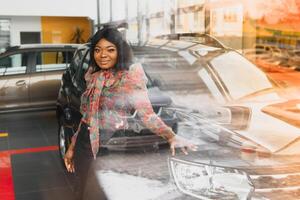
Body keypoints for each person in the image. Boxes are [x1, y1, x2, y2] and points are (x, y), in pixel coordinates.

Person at [64, 27, 197, 199]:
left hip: (111, 146)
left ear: (120, 51)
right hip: (84, 144)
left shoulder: (130, 76)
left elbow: (147, 114)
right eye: (97, 50)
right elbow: (87, 118)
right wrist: (72, 147)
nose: (102, 55)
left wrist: (171, 136)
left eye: (110, 50)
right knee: (82, 189)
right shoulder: (93, 75)